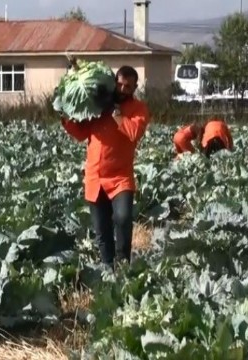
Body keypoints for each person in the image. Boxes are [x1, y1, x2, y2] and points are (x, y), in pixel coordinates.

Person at [60, 65, 150, 269]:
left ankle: (123, 262)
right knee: (102, 230)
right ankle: (107, 268)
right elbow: (81, 133)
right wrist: (66, 117)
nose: (122, 88)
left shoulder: (139, 109)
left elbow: (134, 132)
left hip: (120, 178)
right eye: (119, 84)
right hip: (95, 177)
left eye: (128, 86)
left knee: (123, 217)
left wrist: (116, 113)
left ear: (135, 87)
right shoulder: (98, 106)